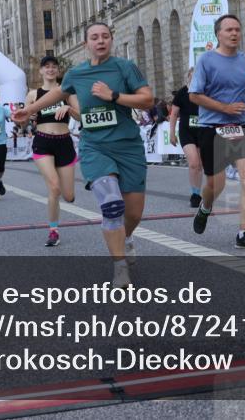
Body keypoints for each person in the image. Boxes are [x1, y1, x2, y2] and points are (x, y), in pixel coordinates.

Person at [13, 23, 154, 288]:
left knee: (133, 213)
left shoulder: (124, 68)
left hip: (128, 146)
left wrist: (113, 96)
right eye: (94, 37)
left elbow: (147, 99)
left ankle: (126, 237)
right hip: (95, 147)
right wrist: (29, 109)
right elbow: (59, 92)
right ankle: (120, 266)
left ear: (111, 39)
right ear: (85, 43)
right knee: (112, 205)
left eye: (105, 36)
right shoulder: (78, 73)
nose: (100, 41)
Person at [190, 14, 245, 251]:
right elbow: (194, 95)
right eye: (229, 30)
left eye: (237, 29)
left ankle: (243, 232)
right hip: (212, 127)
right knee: (216, 183)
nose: (234, 33)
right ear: (218, 34)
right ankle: (205, 206)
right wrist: (224, 107)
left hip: (240, 127)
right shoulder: (206, 60)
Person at [26, 55, 80, 247]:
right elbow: (24, 119)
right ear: (40, 71)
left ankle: (56, 222)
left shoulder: (67, 91)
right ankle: (53, 230)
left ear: (58, 71)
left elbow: (81, 117)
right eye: (46, 66)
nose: (50, 69)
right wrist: (27, 116)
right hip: (43, 142)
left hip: (64, 142)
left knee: (69, 196)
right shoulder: (33, 94)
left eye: (53, 67)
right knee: (54, 186)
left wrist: (68, 108)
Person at [169, 68, 204, 208]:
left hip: (202, 131)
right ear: (188, 77)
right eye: (192, 76)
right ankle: (194, 194)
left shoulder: (205, 92)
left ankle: (197, 192)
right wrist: (172, 133)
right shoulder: (182, 93)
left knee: (200, 165)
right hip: (186, 132)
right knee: (194, 162)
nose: (195, 78)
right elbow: (173, 115)